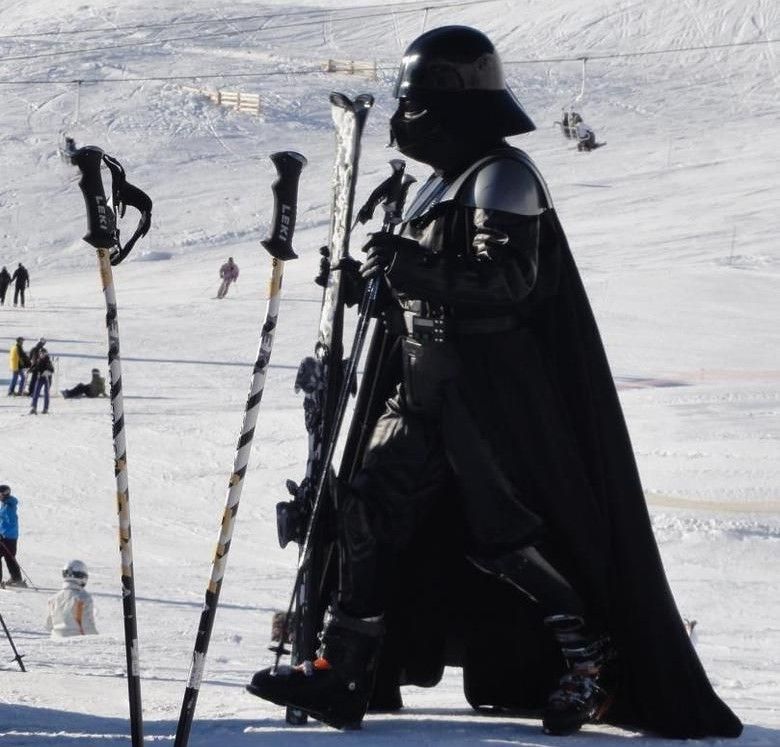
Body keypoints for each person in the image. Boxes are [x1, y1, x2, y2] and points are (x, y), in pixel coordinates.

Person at [247, 26, 742, 740]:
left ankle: (588, 656)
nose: (403, 118)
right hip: (419, 381)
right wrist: (373, 283)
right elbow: (415, 288)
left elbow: (509, 283)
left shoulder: (504, 177)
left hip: (486, 391)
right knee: (366, 508)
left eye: (414, 105)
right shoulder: (434, 187)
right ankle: (344, 670)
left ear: (454, 107)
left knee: (504, 534)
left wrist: (410, 268)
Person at [45, 560, 98, 637]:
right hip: (77, 641)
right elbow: (88, 626)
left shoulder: (53, 599)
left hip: (56, 640)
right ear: (82, 576)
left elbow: (48, 625)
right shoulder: (83, 598)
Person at [0, 485, 26, 588]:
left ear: (4, 494)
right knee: (10, 557)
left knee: (9, 557)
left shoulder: (8, 507)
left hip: (6, 537)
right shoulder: (8, 504)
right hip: (10, 537)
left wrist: (2, 534)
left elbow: (11, 522)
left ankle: (16, 579)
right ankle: (16, 579)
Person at [29, 346, 54, 414]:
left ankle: (45, 409)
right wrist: (30, 370)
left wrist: (47, 372)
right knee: (36, 392)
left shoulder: (48, 361)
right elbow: (35, 367)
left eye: (43, 353)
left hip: (47, 379)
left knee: (46, 394)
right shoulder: (38, 360)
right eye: (40, 353)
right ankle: (34, 408)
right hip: (40, 378)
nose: (41, 354)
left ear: (46, 354)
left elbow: (52, 369)